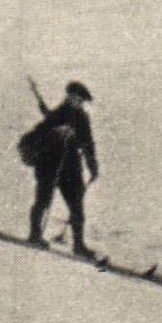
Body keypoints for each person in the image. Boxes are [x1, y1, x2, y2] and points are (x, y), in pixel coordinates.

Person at [19, 81, 99, 257]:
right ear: (69, 96)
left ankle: (79, 245)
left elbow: (88, 143)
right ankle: (34, 234)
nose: (77, 101)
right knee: (43, 199)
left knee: (76, 205)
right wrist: (57, 132)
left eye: (80, 100)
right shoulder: (57, 114)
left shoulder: (82, 118)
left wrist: (93, 167)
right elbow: (37, 134)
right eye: (74, 97)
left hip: (71, 167)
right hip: (50, 164)